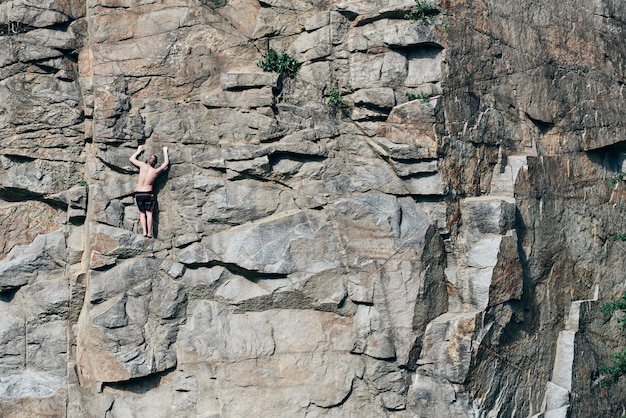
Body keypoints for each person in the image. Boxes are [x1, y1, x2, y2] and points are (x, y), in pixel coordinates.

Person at [129, 145, 169, 238]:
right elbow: (166, 163)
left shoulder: (142, 166)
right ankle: (150, 233)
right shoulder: (155, 171)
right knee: (149, 213)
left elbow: (131, 158)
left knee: (142, 213)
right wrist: (165, 151)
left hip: (138, 193)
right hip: (148, 194)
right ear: (155, 163)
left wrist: (138, 151)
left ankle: (144, 232)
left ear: (148, 160)